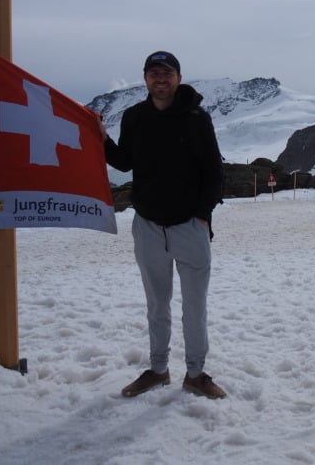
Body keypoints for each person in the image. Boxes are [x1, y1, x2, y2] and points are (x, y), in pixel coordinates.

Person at [100, 50, 226, 399]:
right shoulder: (135, 117)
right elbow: (125, 162)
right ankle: (158, 370)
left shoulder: (197, 119)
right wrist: (103, 139)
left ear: (178, 78)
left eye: (166, 73)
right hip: (148, 227)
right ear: (144, 79)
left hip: (189, 227)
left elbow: (215, 172)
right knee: (157, 304)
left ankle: (196, 374)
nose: (160, 79)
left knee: (194, 308)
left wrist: (202, 216)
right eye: (153, 73)